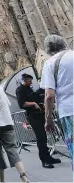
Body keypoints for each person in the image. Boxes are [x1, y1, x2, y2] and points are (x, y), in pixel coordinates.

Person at [40, 34, 73, 170]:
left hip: (70, 112)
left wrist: (48, 119)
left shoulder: (50, 63)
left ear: (48, 49)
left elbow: (49, 95)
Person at [15, 73, 60, 168]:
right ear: (24, 80)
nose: (31, 82)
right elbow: (22, 104)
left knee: (44, 136)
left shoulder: (29, 89)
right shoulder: (20, 90)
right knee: (40, 137)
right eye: (29, 81)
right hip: (33, 116)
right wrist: (34, 103)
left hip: (40, 114)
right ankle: (44, 160)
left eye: (31, 81)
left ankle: (48, 157)